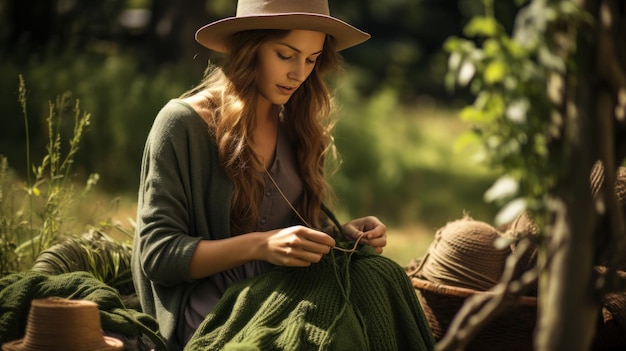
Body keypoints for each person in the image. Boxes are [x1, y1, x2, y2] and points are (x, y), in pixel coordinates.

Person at [131, 0, 435, 350]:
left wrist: (340, 235)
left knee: (380, 281)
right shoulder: (183, 124)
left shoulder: (297, 124)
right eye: (286, 54)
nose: (299, 73)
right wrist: (261, 246)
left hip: (289, 290)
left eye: (311, 59)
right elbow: (157, 255)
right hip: (213, 309)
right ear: (249, 47)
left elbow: (295, 227)